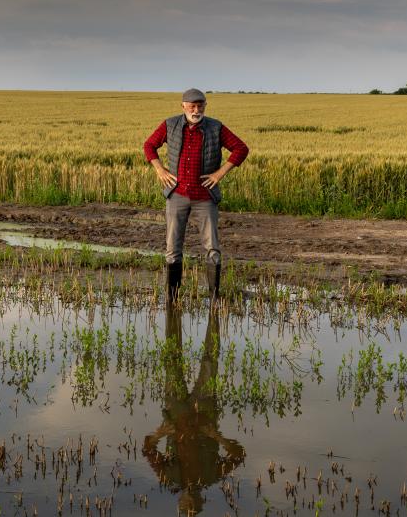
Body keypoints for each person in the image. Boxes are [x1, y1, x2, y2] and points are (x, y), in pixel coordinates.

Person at [143, 88, 249, 300]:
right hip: (177, 195)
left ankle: (214, 298)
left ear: (205, 106)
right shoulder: (170, 125)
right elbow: (149, 146)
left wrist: (219, 174)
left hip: (205, 197)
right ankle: (172, 299)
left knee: (212, 248)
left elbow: (241, 148)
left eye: (200, 105)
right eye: (192, 105)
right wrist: (160, 170)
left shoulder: (215, 127)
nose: (196, 109)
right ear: (183, 106)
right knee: (173, 248)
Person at [142, 304, 245, 513]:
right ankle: (214, 306)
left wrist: (160, 433)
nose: (189, 504)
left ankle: (174, 305)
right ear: (201, 502)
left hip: (176, 410)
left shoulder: (169, 478)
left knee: (172, 359)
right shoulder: (211, 476)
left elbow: (147, 449)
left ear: (179, 503)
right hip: (204, 410)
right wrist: (217, 437)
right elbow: (239, 455)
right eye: (193, 509)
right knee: (210, 359)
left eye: (185, 509)